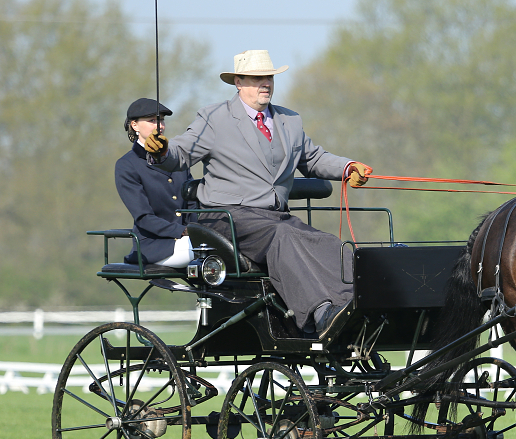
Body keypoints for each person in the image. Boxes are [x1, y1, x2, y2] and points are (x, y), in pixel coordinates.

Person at [146, 50, 370, 336]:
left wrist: (348, 167)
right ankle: (321, 311)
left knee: (324, 241)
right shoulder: (214, 118)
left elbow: (313, 159)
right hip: (227, 217)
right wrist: (163, 150)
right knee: (284, 237)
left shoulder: (290, 122)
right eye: (256, 78)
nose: (265, 83)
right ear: (238, 82)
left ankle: (352, 303)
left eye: (268, 77)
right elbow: (181, 151)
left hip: (274, 217)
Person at [115, 98, 195, 267]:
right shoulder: (127, 165)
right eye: (152, 121)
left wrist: (196, 228)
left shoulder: (176, 160)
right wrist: (183, 231)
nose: (160, 126)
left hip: (189, 239)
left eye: (161, 120)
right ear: (134, 125)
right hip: (154, 246)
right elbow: (144, 217)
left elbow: (193, 202)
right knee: (205, 250)